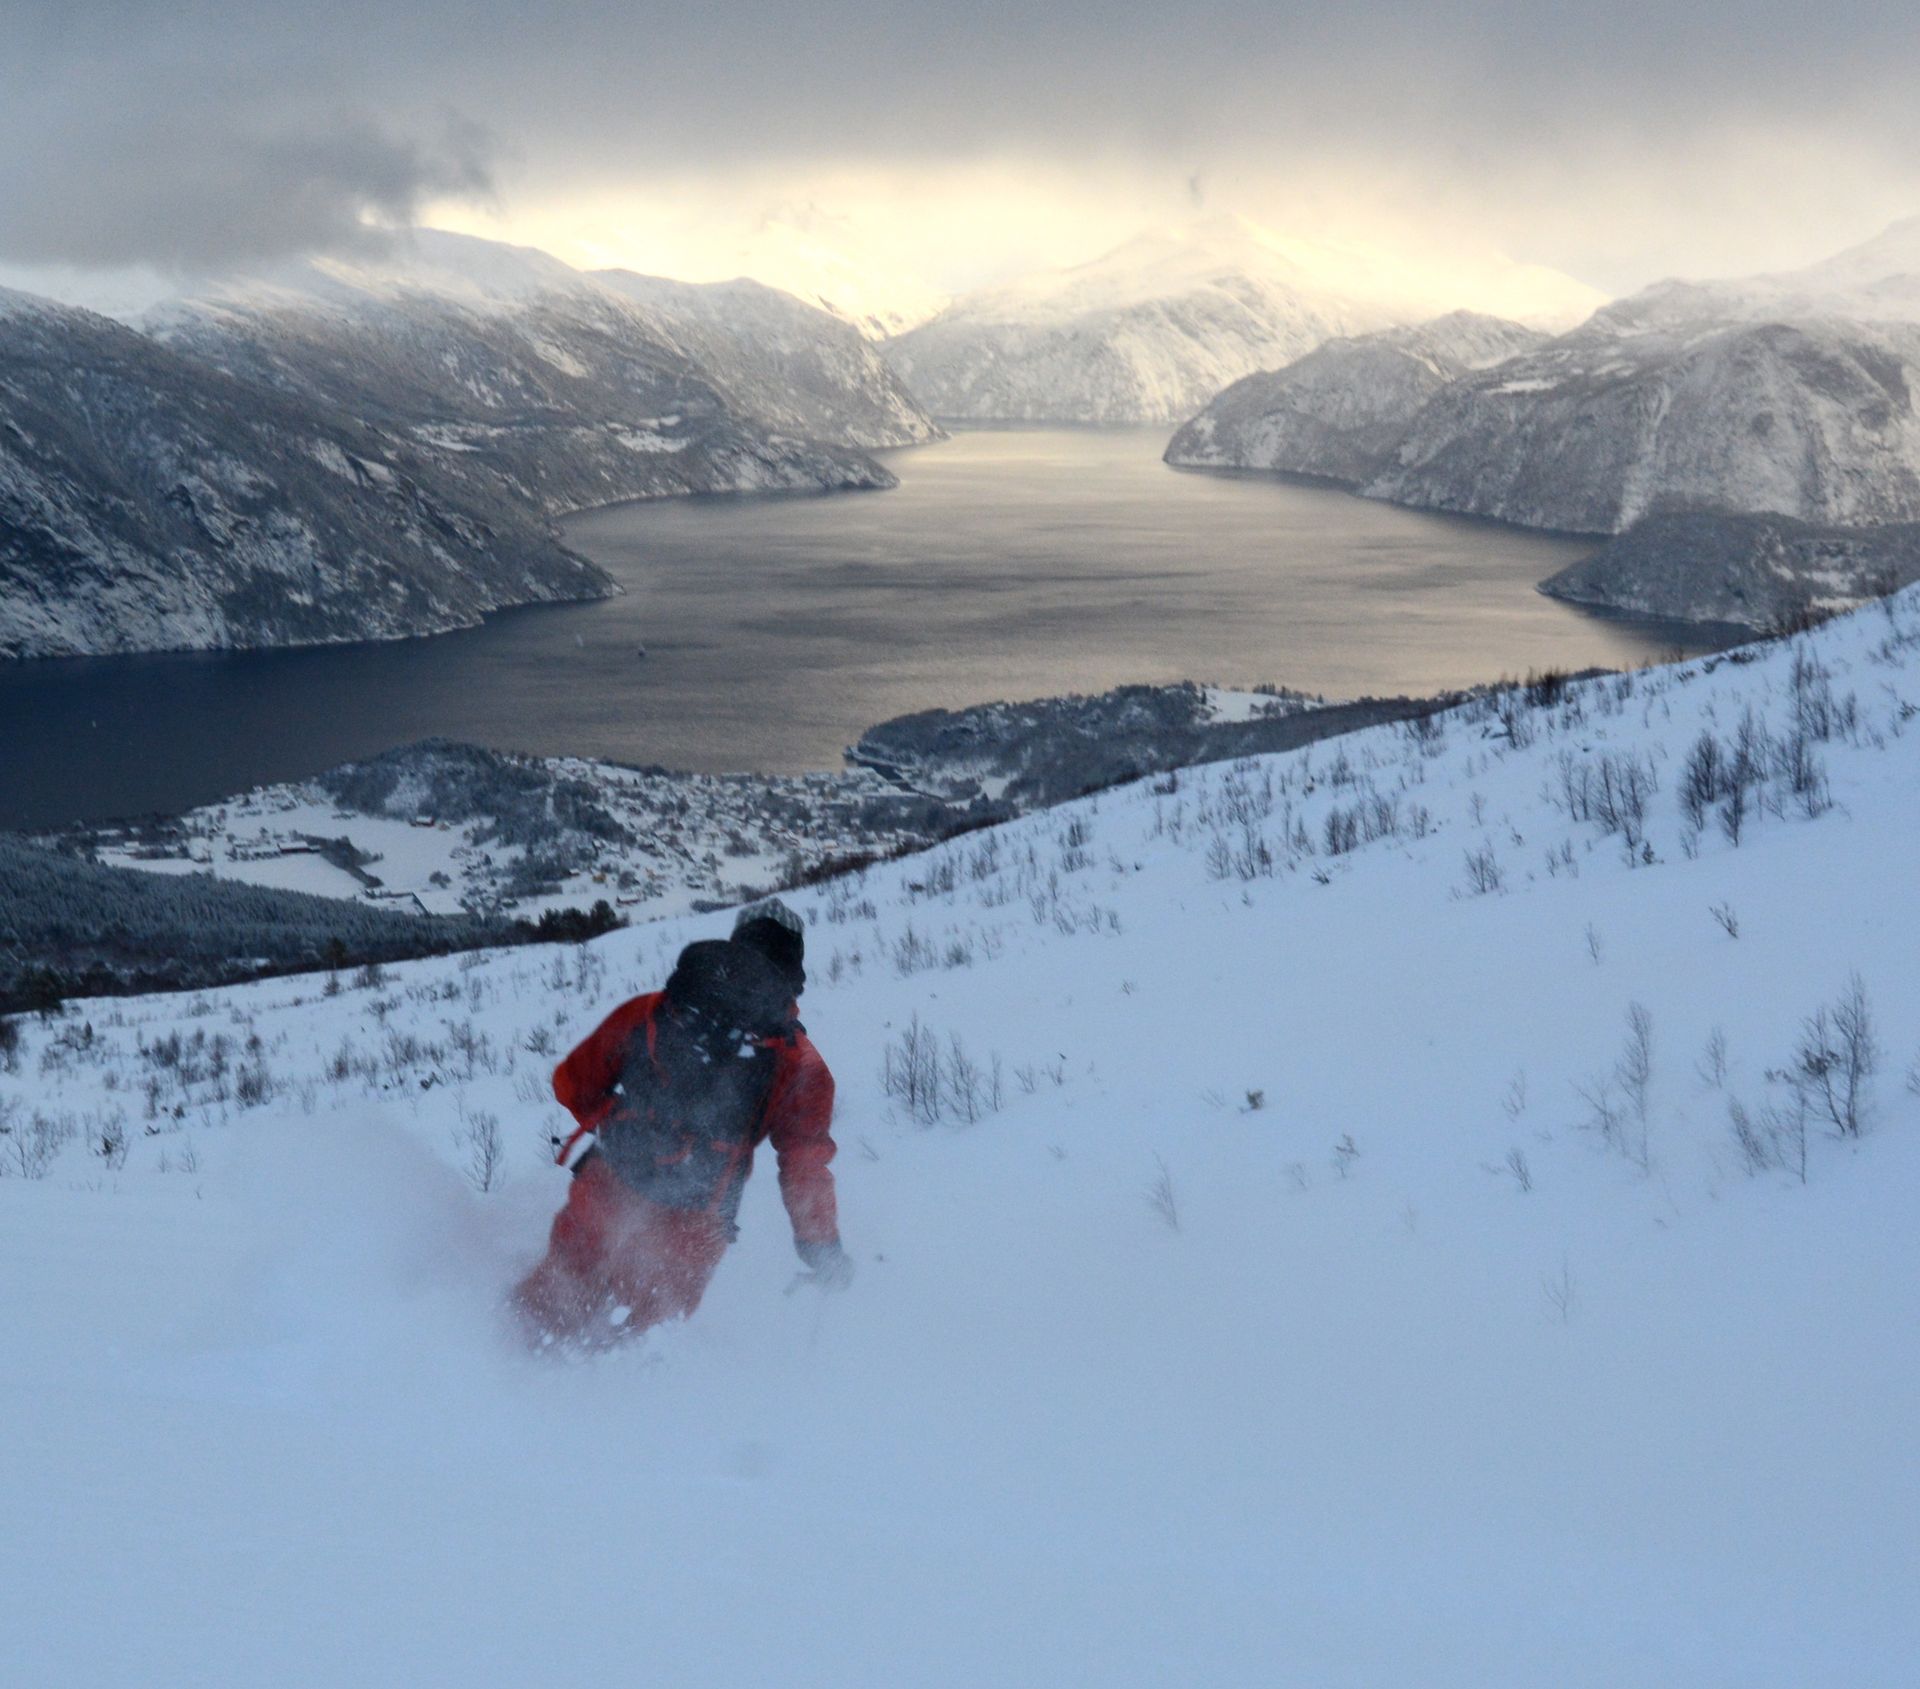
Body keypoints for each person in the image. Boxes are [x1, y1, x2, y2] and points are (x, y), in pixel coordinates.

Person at [514, 899, 852, 1347]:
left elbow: (572, 1084)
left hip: (610, 1183)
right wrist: (820, 1245)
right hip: (699, 1217)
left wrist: (620, 1119)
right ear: (795, 974)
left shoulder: (652, 1011)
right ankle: (612, 1389)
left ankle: (494, 1370)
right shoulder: (799, 1063)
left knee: (548, 1306)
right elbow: (804, 1167)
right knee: (644, 1341)